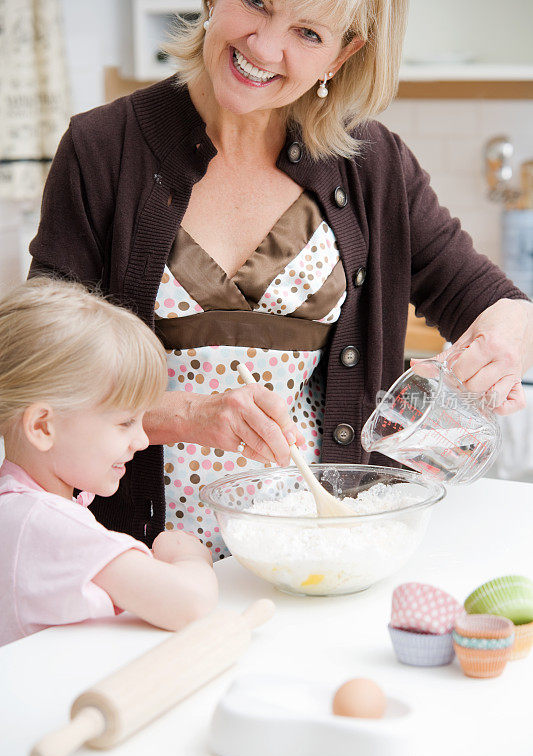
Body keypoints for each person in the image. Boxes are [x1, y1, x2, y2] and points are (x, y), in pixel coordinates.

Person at [29, 0, 533, 559]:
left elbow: (492, 301)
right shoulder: (101, 149)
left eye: (308, 33)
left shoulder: (372, 164)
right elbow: (37, 378)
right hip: (137, 560)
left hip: (311, 547)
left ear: (342, 56)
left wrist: (507, 340)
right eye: (256, 4)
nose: (264, 48)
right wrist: (188, 415)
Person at [0, 278, 217, 647]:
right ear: (42, 426)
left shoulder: (18, 504)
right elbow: (191, 603)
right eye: (124, 422)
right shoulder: (46, 522)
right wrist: (191, 558)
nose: (143, 440)